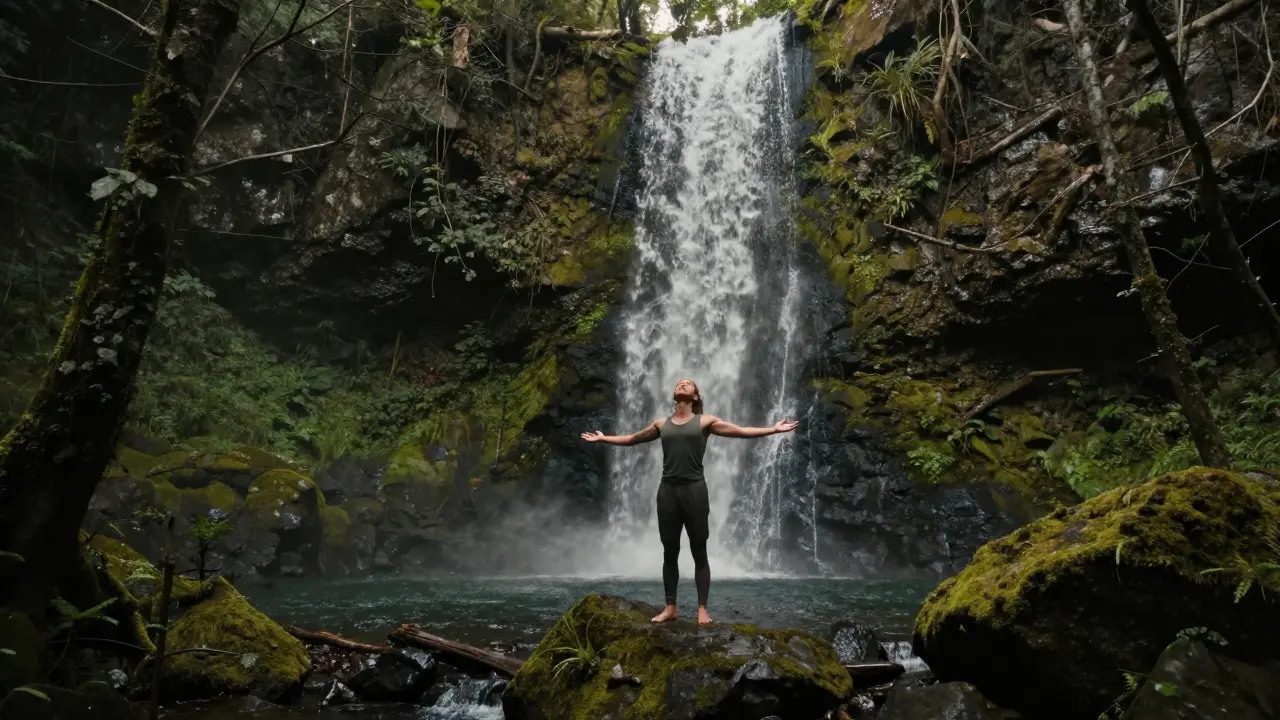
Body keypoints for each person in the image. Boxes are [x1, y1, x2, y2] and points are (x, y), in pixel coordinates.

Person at [580, 378, 799, 625]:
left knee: (699, 550)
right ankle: (670, 607)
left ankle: (702, 609)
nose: (682, 384)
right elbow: (632, 439)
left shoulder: (706, 422)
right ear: (674, 394)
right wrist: (603, 438)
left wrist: (774, 429)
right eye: (679, 383)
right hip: (667, 492)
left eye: (688, 384)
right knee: (669, 550)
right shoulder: (661, 424)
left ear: (695, 396)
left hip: (694, 491)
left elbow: (740, 432)